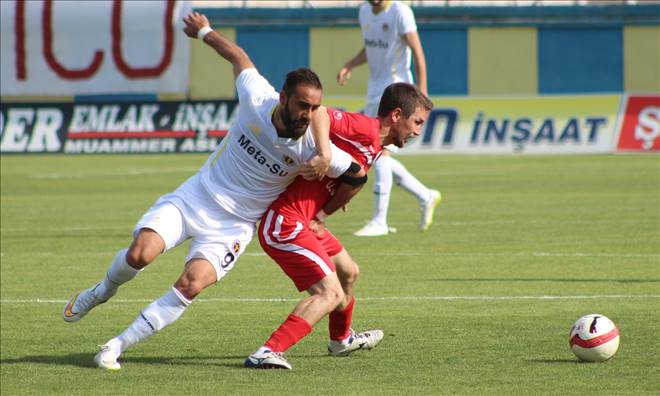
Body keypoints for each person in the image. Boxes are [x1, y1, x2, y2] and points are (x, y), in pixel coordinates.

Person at [61, 11, 354, 370]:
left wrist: (323, 209)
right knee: (140, 254)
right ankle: (102, 291)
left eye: (314, 108)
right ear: (282, 98)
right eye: (302, 105)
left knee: (192, 284)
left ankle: (115, 346)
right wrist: (204, 31)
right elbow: (239, 57)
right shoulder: (256, 100)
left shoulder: (314, 145)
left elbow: (357, 174)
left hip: (235, 226)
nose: (308, 114)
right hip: (196, 196)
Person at [245, 83, 434, 369]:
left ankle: (340, 340)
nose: (418, 131)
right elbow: (321, 113)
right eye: (417, 122)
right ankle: (268, 351)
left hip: (307, 222)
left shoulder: (376, 146)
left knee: (348, 272)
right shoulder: (365, 128)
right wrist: (324, 154)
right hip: (285, 223)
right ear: (397, 115)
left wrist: (330, 203)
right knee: (330, 293)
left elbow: (352, 176)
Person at [337, 0, 441, 237]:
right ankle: (426, 195)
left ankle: (379, 221)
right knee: (375, 153)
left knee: (380, 152)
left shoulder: (400, 12)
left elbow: (417, 52)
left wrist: (422, 96)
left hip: (398, 92)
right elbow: (371, 48)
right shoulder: (364, 11)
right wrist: (350, 65)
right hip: (375, 93)